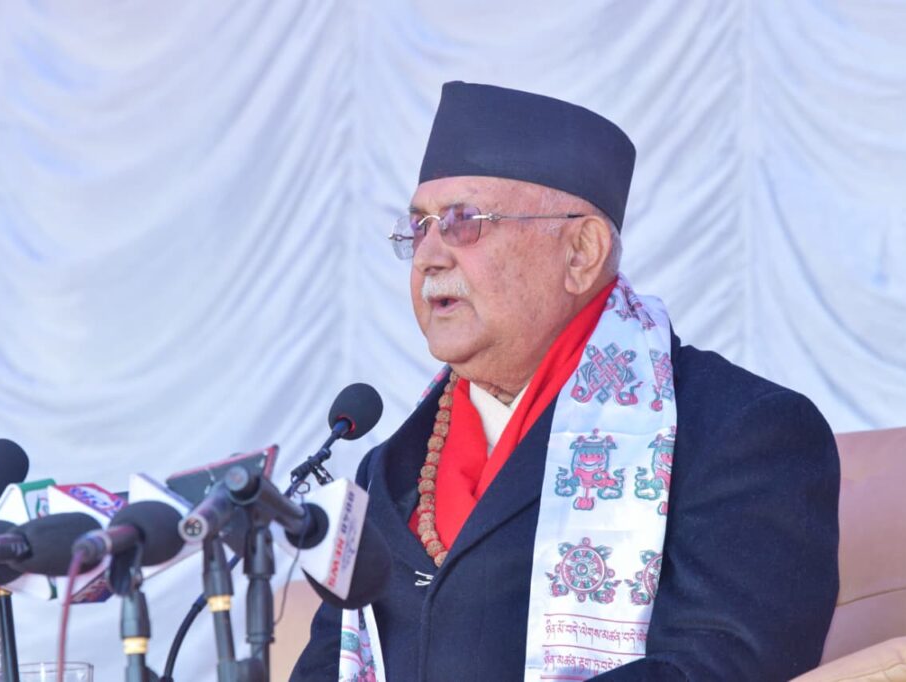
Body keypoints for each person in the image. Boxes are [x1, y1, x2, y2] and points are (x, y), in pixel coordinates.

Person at [292, 81, 839, 681]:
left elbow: (721, 668)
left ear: (581, 251)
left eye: (463, 222)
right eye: (420, 227)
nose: (429, 257)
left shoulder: (740, 432)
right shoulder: (388, 468)